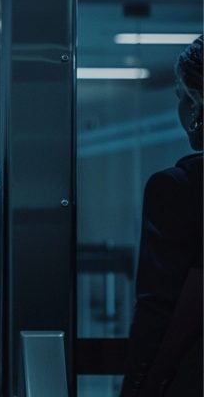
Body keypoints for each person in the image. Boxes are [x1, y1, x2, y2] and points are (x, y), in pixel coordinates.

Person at [121, 36, 202, 397]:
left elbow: (158, 310)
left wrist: (135, 389)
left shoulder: (179, 189)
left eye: (180, 97)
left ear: (197, 104)